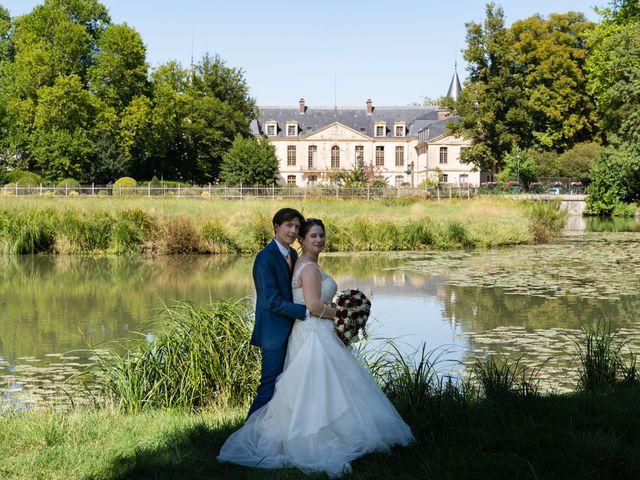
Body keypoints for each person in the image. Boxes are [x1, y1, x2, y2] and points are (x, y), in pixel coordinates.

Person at [218, 218, 414, 478]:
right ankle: (319, 435)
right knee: (321, 384)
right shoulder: (308, 268)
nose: (319, 240)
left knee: (316, 385)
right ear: (302, 240)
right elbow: (313, 306)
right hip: (313, 332)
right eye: (313, 236)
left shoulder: (301, 263)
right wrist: (342, 314)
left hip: (312, 330)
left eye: (321, 235)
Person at [246, 207, 309, 419]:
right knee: (268, 386)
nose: (293, 231)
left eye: (297, 227)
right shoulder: (265, 258)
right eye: (288, 225)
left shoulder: (291, 253)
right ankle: (248, 433)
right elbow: (272, 301)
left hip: (294, 329)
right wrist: (307, 311)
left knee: (288, 386)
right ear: (276, 227)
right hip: (273, 331)